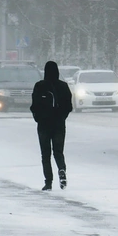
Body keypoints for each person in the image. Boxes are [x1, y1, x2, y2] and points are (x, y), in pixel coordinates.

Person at [30, 61, 73, 190]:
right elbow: (69, 107)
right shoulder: (63, 86)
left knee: (45, 154)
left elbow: (34, 105)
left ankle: (48, 182)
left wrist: (39, 118)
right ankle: (62, 170)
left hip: (44, 125)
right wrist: (61, 117)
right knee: (58, 151)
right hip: (59, 124)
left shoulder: (39, 86)